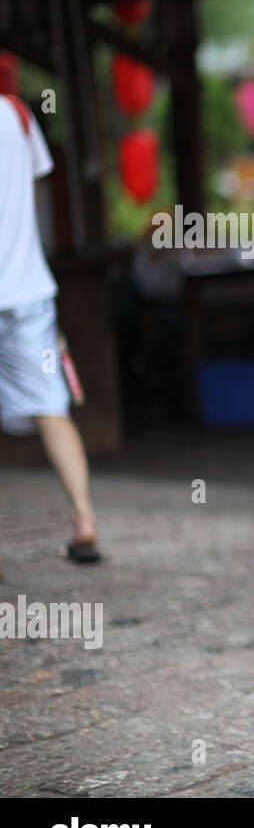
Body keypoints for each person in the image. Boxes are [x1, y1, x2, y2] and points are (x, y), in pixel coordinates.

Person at [0, 92, 100, 563]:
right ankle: (83, 518)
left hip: (24, 289)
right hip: (28, 290)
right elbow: (36, 195)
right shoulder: (18, 114)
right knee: (50, 407)